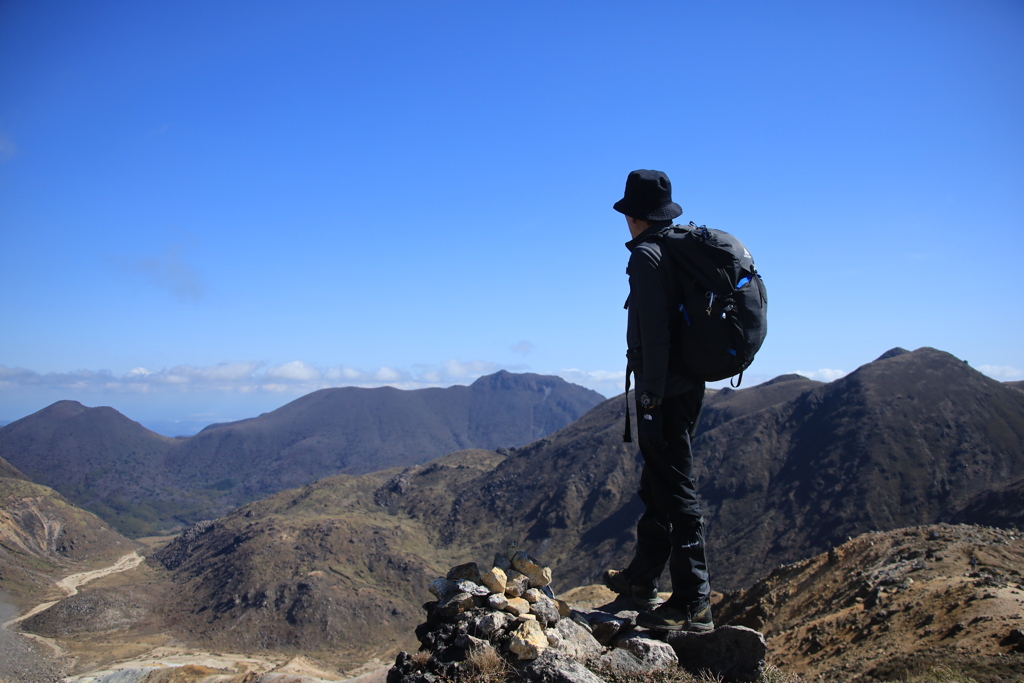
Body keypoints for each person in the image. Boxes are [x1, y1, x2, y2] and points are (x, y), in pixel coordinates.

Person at [603, 169, 713, 632]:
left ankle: (693, 599)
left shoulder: (648, 257)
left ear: (633, 215)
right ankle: (642, 578)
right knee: (659, 481)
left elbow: (655, 333)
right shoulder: (680, 249)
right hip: (688, 385)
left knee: (676, 488)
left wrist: (649, 397)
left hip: (663, 391)